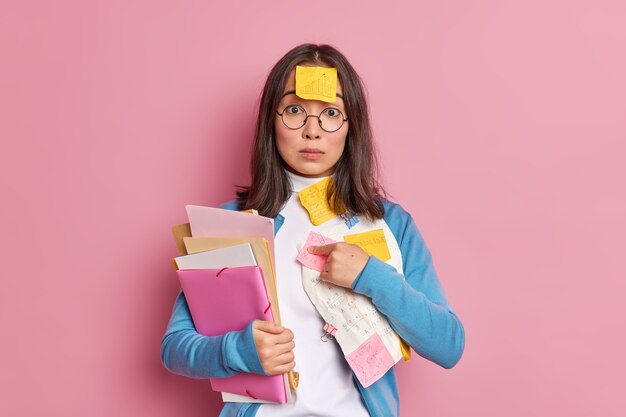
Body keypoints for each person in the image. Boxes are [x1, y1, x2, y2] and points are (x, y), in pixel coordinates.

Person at [161, 43, 465, 417]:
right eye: (294, 110)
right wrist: (237, 350)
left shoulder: (392, 223)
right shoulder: (231, 224)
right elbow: (175, 347)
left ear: (351, 126)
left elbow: (448, 345)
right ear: (270, 121)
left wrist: (372, 277)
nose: (312, 131)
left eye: (332, 113)